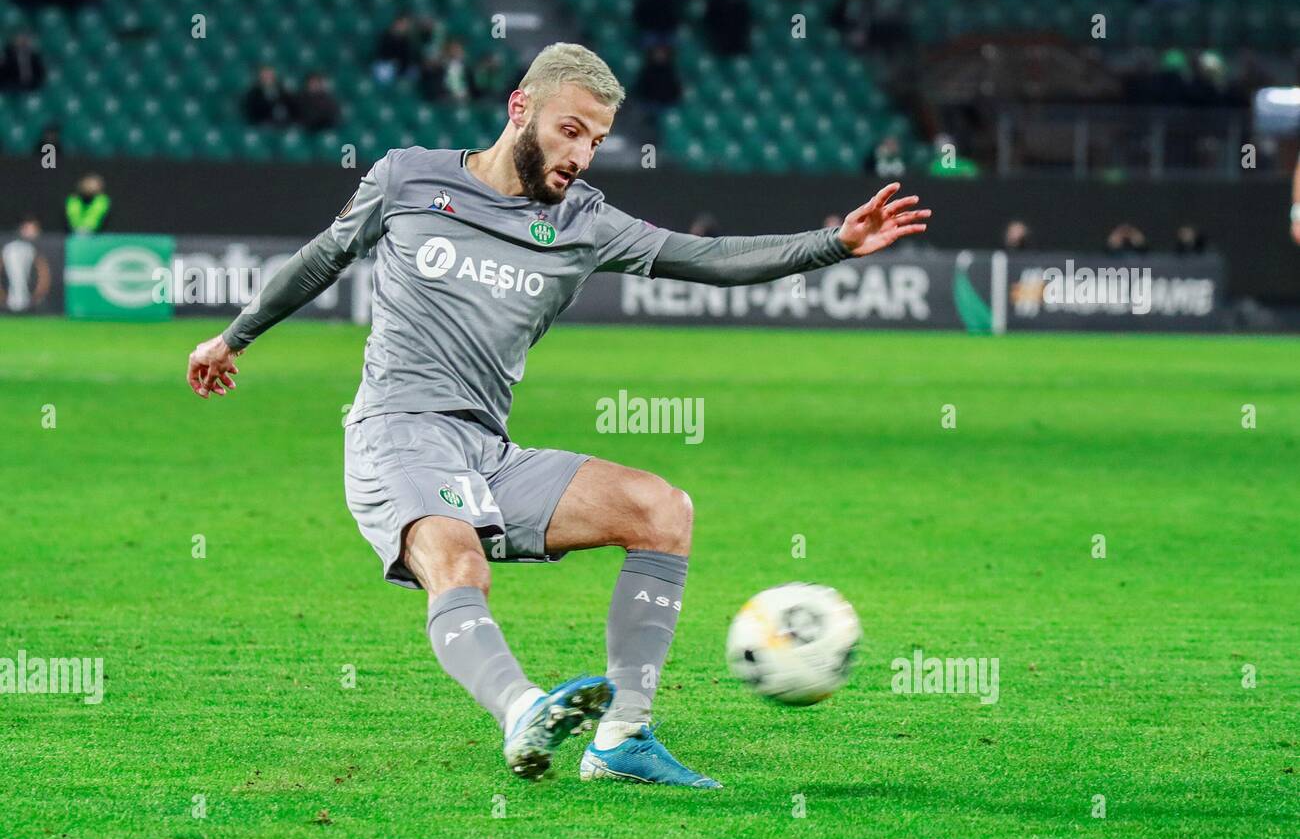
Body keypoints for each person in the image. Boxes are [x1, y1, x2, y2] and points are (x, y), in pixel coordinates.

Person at [185, 42, 930, 788]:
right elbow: (325, 255)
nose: (583, 154)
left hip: (487, 452)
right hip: (397, 435)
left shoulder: (584, 223)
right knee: (459, 561)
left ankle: (623, 738)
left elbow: (706, 258)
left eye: (599, 141)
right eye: (571, 130)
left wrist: (833, 244)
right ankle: (521, 711)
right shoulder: (407, 176)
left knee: (661, 509)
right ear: (521, 109)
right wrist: (231, 338)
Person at [1, 216, 52, 313]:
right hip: (12, 299)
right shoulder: (11, 248)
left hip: (30, 297)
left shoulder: (33, 249)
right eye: (29, 228)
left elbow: (43, 273)